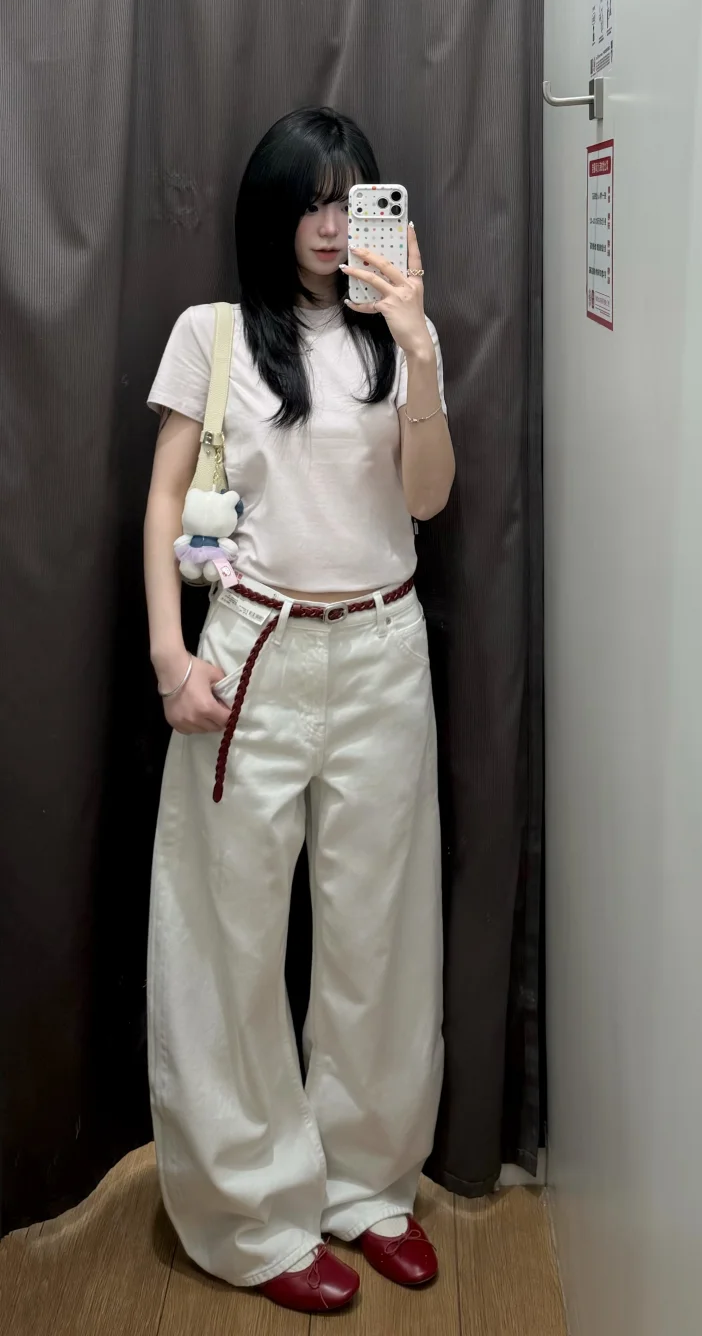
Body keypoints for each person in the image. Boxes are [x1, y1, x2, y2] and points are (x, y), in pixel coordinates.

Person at [142, 107, 454, 1314]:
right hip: (255, 647)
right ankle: (252, 1214)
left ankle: (367, 1186)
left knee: (380, 932)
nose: (332, 225)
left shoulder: (399, 338)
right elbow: (167, 501)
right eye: (312, 201)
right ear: (272, 211)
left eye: (351, 198)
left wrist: (418, 349)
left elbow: (427, 498)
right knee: (228, 937)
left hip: (382, 646)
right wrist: (171, 657)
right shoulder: (213, 334)